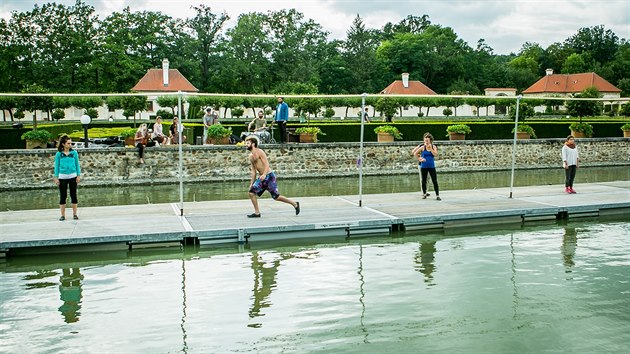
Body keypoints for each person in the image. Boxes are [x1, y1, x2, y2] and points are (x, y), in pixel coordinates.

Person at [245, 135, 300, 218]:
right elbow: (253, 171)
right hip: (261, 178)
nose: (246, 144)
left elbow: (267, 164)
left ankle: (295, 204)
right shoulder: (251, 156)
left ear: (253, 144)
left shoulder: (260, 152)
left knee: (276, 197)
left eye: (247, 143)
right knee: (251, 192)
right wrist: (251, 183)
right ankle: (257, 213)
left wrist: (264, 174)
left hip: (269, 176)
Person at [53, 135, 81, 221]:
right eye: (68, 143)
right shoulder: (59, 154)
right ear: (63, 144)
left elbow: (77, 164)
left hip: (73, 175)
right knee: (63, 195)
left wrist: (78, 175)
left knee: (73, 195)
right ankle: (62, 215)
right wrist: (56, 177)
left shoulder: (74, 153)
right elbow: (56, 166)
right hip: (62, 176)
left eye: (71, 143)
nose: (70, 145)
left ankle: (75, 214)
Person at [412, 132, 441, 200]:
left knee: (434, 180)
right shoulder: (422, 147)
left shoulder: (433, 146)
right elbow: (415, 153)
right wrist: (419, 159)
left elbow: (435, 154)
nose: (426, 142)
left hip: (431, 166)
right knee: (423, 180)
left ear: (430, 140)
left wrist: (431, 149)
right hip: (424, 166)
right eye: (425, 140)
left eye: (427, 140)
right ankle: (424, 194)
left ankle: (437, 195)